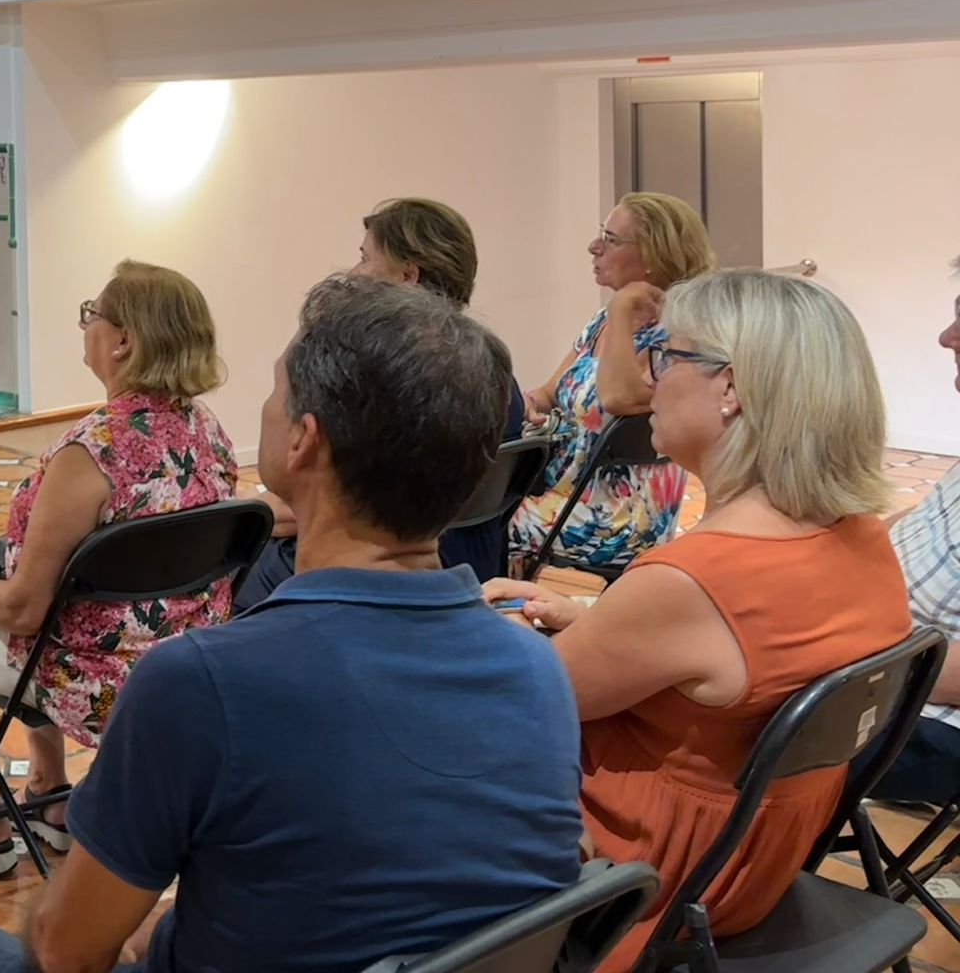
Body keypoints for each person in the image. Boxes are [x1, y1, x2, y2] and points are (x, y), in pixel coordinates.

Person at [0, 276, 583, 973]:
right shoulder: (539, 672)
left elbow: (64, 951)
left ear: (304, 440)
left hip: (86, 697)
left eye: (276, 393)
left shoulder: (203, 685)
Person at [484, 269, 911, 971]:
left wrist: (494, 628)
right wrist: (592, 617)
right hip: (758, 865)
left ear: (731, 387)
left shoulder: (695, 578)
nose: (649, 379)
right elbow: (722, 655)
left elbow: (530, 700)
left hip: (640, 879)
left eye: (667, 355)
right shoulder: (862, 536)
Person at [0, 260, 237, 878]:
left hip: (96, 683)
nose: (84, 326)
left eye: (90, 314)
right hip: (188, 667)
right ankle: (51, 791)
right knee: (37, 584)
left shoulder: (92, 451)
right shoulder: (206, 430)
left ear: (122, 340)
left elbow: (24, 611)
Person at [240, 198, 526, 605]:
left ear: (408, 276)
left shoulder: (381, 385)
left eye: (364, 258)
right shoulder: (495, 377)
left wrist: (245, 516)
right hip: (467, 571)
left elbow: (333, 506)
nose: (355, 272)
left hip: (376, 585)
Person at [508, 191, 716, 574]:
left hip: (618, 519)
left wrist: (621, 309)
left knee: (477, 522)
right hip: (562, 494)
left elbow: (619, 396)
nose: (594, 247)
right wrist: (530, 403)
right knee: (470, 505)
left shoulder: (682, 332)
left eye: (611, 239)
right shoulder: (600, 322)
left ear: (653, 256)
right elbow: (551, 391)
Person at [870, 258, 960, 807]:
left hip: (930, 723)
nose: (946, 336)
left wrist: (832, 641)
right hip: (878, 663)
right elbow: (920, 523)